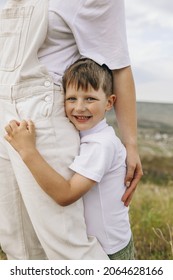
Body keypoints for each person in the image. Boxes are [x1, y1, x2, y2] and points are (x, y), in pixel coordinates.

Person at [0, 0, 142, 260]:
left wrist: (130, 144)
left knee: (65, 245)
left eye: (89, 101)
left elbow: (118, 62)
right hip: (4, 109)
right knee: (18, 243)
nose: (83, 106)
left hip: (42, 114)